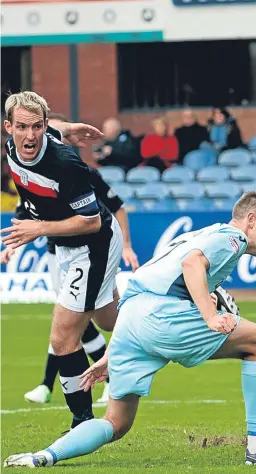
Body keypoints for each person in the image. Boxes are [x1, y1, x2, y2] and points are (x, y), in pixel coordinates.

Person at [4, 192, 256, 468]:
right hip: (162, 316)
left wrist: (113, 352)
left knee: (116, 423)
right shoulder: (233, 237)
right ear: (251, 220)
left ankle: (44, 455)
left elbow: (144, 284)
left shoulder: (201, 234)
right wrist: (210, 316)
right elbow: (193, 265)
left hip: (133, 316)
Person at [1, 91, 123, 429]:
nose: (31, 135)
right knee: (110, 322)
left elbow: (92, 220)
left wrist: (38, 229)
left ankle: (82, 422)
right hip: (67, 244)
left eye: (37, 127)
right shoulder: (19, 144)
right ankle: (165, 305)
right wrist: (67, 126)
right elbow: (55, 128)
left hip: (93, 243)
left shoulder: (64, 164)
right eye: (22, 127)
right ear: (7, 127)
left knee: (63, 337)